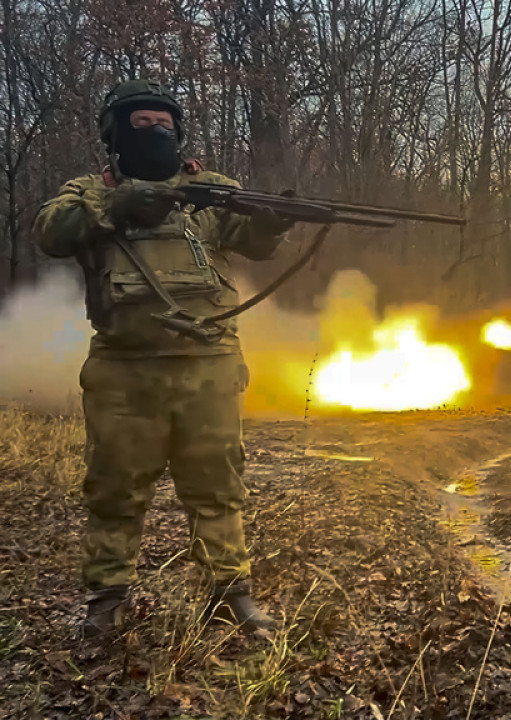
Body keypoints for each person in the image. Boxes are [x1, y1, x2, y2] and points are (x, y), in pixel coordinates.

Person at [33, 79, 293, 640]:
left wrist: (273, 220)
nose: (156, 133)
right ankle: (106, 599)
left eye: (165, 124)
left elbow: (253, 241)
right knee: (114, 488)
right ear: (115, 136)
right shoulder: (88, 191)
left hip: (210, 362)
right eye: (141, 125)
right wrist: (117, 206)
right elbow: (50, 232)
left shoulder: (210, 190)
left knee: (218, 484)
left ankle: (231, 595)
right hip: (125, 367)